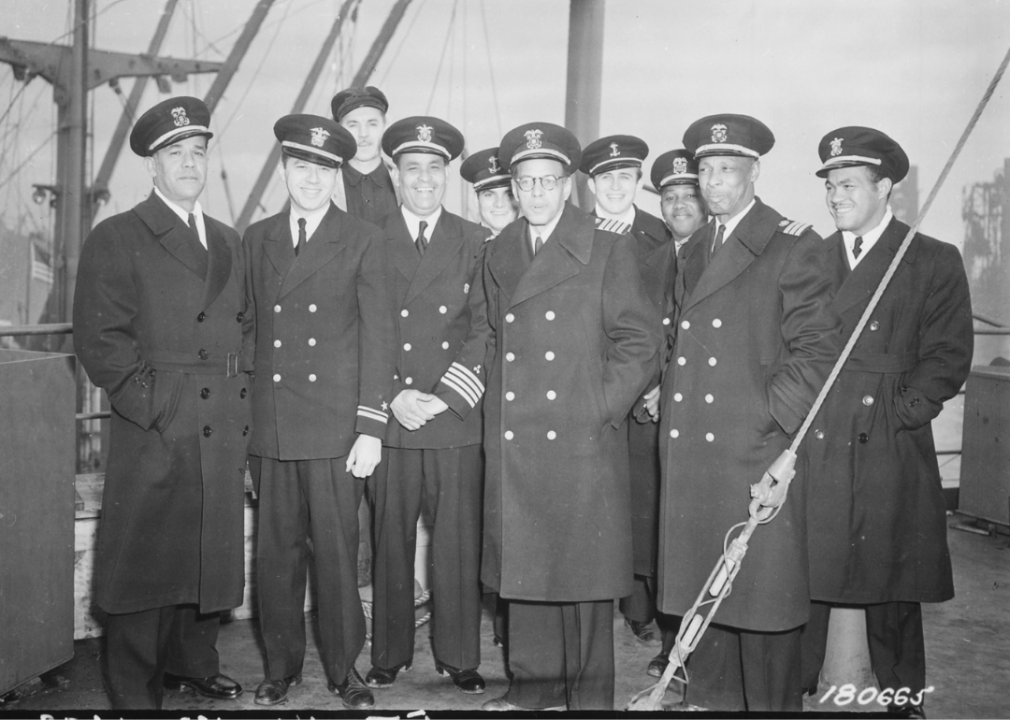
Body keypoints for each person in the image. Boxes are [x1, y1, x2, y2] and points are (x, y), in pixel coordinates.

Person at [432, 121, 662, 711]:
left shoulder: (608, 246)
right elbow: (483, 335)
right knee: (526, 573)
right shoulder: (498, 250)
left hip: (581, 436)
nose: (534, 193)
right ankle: (532, 688)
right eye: (523, 182)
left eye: (547, 181)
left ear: (567, 185)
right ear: (512, 187)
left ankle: (587, 699)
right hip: (516, 439)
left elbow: (639, 342)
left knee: (582, 580)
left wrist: (597, 408)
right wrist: (447, 396)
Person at [651, 114, 842, 712]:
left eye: (726, 170)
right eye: (705, 170)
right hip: (695, 455)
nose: (712, 183)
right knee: (703, 597)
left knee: (760, 603)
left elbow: (817, 351)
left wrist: (769, 425)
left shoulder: (793, 242)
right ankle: (707, 701)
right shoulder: (694, 248)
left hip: (752, 452)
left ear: (754, 172)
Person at [73, 96, 251, 710]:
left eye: (198, 153)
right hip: (159, 425)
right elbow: (103, 343)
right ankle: (134, 688)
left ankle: (192, 663)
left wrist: (238, 407)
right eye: (176, 154)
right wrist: (159, 407)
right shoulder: (118, 236)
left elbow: (244, 329)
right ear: (151, 165)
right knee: (144, 563)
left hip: (220, 421)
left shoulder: (229, 240)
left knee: (206, 557)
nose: (189, 164)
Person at [800, 127, 973, 719]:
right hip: (818, 431)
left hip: (890, 441)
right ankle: (795, 689)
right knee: (808, 567)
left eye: (847, 184)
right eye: (829, 185)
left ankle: (903, 699)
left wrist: (903, 412)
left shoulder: (931, 259)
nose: (834, 196)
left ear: (886, 186)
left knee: (894, 577)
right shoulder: (812, 259)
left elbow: (948, 356)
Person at [243, 114, 395, 710]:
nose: (311, 179)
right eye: (301, 167)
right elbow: (250, 330)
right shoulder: (257, 238)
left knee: (335, 552)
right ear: (284, 170)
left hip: (335, 429)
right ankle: (279, 668)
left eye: (324, 169)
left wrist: (370, 428)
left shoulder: (362, 237)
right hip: (274, 424)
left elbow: (378, 339)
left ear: (337, 175)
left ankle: (343, 670)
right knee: (276, 555)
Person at [364, 116, 490, 696]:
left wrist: (442, 399)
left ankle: (460, 656)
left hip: (450, 417)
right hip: (392, 415)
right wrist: (393, 394)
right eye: (411, 168)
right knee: (391, 536)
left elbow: (485, 329)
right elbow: (359, 325)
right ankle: (389, 652)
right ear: (393, 172)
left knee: (455, 540)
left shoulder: (475, 240)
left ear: (447, 176)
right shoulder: (366, 235)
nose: (424, 179)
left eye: (435, 169)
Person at [579, 134, 674, 655]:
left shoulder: (661, 235)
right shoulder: (570, 232)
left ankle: (641, 610)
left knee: (642, 498)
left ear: (638, 183)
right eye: (605, 178)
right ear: (590, 183)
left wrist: (658, 381)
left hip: (643, 389)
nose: (615, 187)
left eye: (625, 177)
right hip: (584, 387)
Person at [640, 147, 709, 677]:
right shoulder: (654, 260)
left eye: (689, 195)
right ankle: (671, 647)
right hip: (660, 415)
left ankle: (702, 651)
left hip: (708, 417)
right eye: (670, 196)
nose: (680, 205)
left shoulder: (722, 255)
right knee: (669, 534)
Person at [331, 86, 398, 225]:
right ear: (340, 130)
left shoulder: (403, 183)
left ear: (386, 125)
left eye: (372, 124)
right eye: (353, 125)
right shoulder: (325, 186)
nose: (363, 134)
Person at [460, 147, 519, 237]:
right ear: (476, 200)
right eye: (489, 195)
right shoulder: (461, 249)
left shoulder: (538, 247)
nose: (499, 204)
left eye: (508, 194)